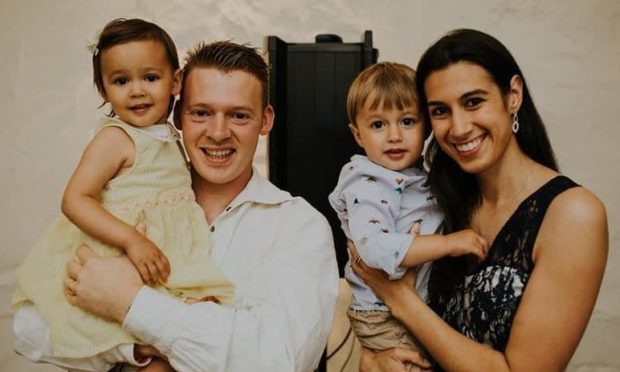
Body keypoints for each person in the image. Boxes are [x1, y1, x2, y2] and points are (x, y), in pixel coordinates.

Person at [34, 40, 339, 371]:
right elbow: (30, 329)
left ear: (265, 121)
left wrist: (129, 304)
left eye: (238, 115)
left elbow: (276, 361)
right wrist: (141, 346)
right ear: (178, 114)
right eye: (201, 113)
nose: (219, 132)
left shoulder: (299, 226)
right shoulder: (122, 205)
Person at [352, 29, 608, 372]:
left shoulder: (572, 215)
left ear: (512, 95)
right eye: (441, 111)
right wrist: (370, 359)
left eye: (473, 102)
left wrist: (402, 300)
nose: (458, 128)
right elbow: (362, 293)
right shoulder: (437, 198)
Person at [12, 18, 234, 371]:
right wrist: (131, 240)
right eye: (121, 81)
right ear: (103, 90)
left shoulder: (171, 136)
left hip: (160, 258)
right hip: (120, 251)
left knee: (180, 348)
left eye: (150, 77)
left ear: (176, 80)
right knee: (122, 340)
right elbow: (75, 199)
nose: (137, 90)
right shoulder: (116, 138)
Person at [328, 62, 488, 365]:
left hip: (409, 307)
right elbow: (374, 249)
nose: (394, 136)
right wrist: (452, 243)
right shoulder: (369, 182)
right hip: (381, 315)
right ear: (357, 134)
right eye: (378, 125)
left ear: (426, 127)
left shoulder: (416, 177)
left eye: (407, 121)